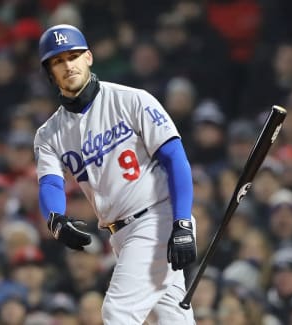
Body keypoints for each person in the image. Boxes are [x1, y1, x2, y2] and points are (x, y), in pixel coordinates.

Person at [33, 24, 196, 324]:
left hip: (157, 219)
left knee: (117, 312)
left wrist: (182, 221)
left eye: (74, 55)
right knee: (171, 320)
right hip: (120, 234)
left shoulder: (132, 100)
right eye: (58, 61)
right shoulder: (48, 134)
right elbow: (50, 182)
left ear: (89, 57)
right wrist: (56, 219)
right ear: (49, 72)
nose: (68, 65)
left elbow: (175, 158)